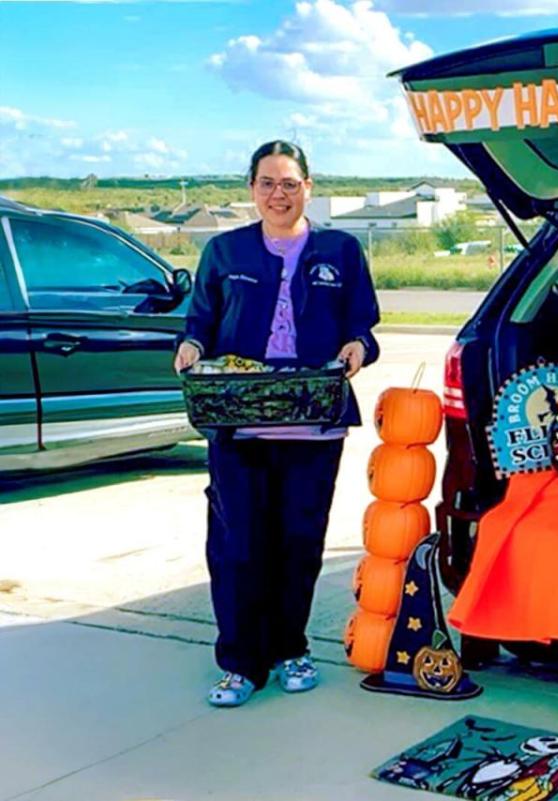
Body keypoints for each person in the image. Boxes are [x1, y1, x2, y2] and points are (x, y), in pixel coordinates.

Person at [174, 140, 381, 707]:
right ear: (251, 189)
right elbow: (200, 325)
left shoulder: (341, 250)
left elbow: (364, 328)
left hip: (313, 423)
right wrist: (191, 348)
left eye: (289, 183)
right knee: (239, 544)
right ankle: (241, 663)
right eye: (267, 183)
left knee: (298, 542)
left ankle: (291, 649)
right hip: (239, 423)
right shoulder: (224, 252)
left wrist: (358, 348)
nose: (278, 194)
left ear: (308, 188)